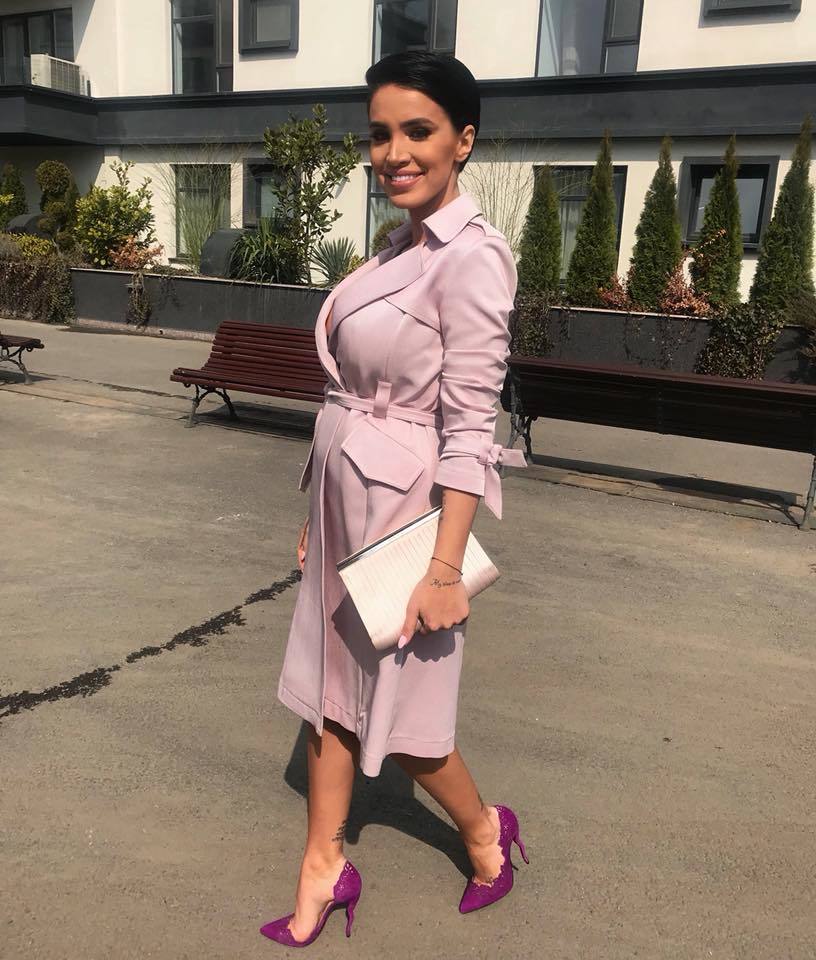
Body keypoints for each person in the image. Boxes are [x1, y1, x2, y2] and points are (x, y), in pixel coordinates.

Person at [260, 50, 529, 948]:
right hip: (346, 505)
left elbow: (471, 428)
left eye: (418, 131)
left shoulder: (474, 259)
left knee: (406, 722)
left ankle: (486, 834)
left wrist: (445, 568)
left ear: (463, 140)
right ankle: (322, 867)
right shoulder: (396, 248)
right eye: (380, 134)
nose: (394, 152)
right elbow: (347, 399)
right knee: (329, 694)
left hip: (410, 515)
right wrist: (316, 515)